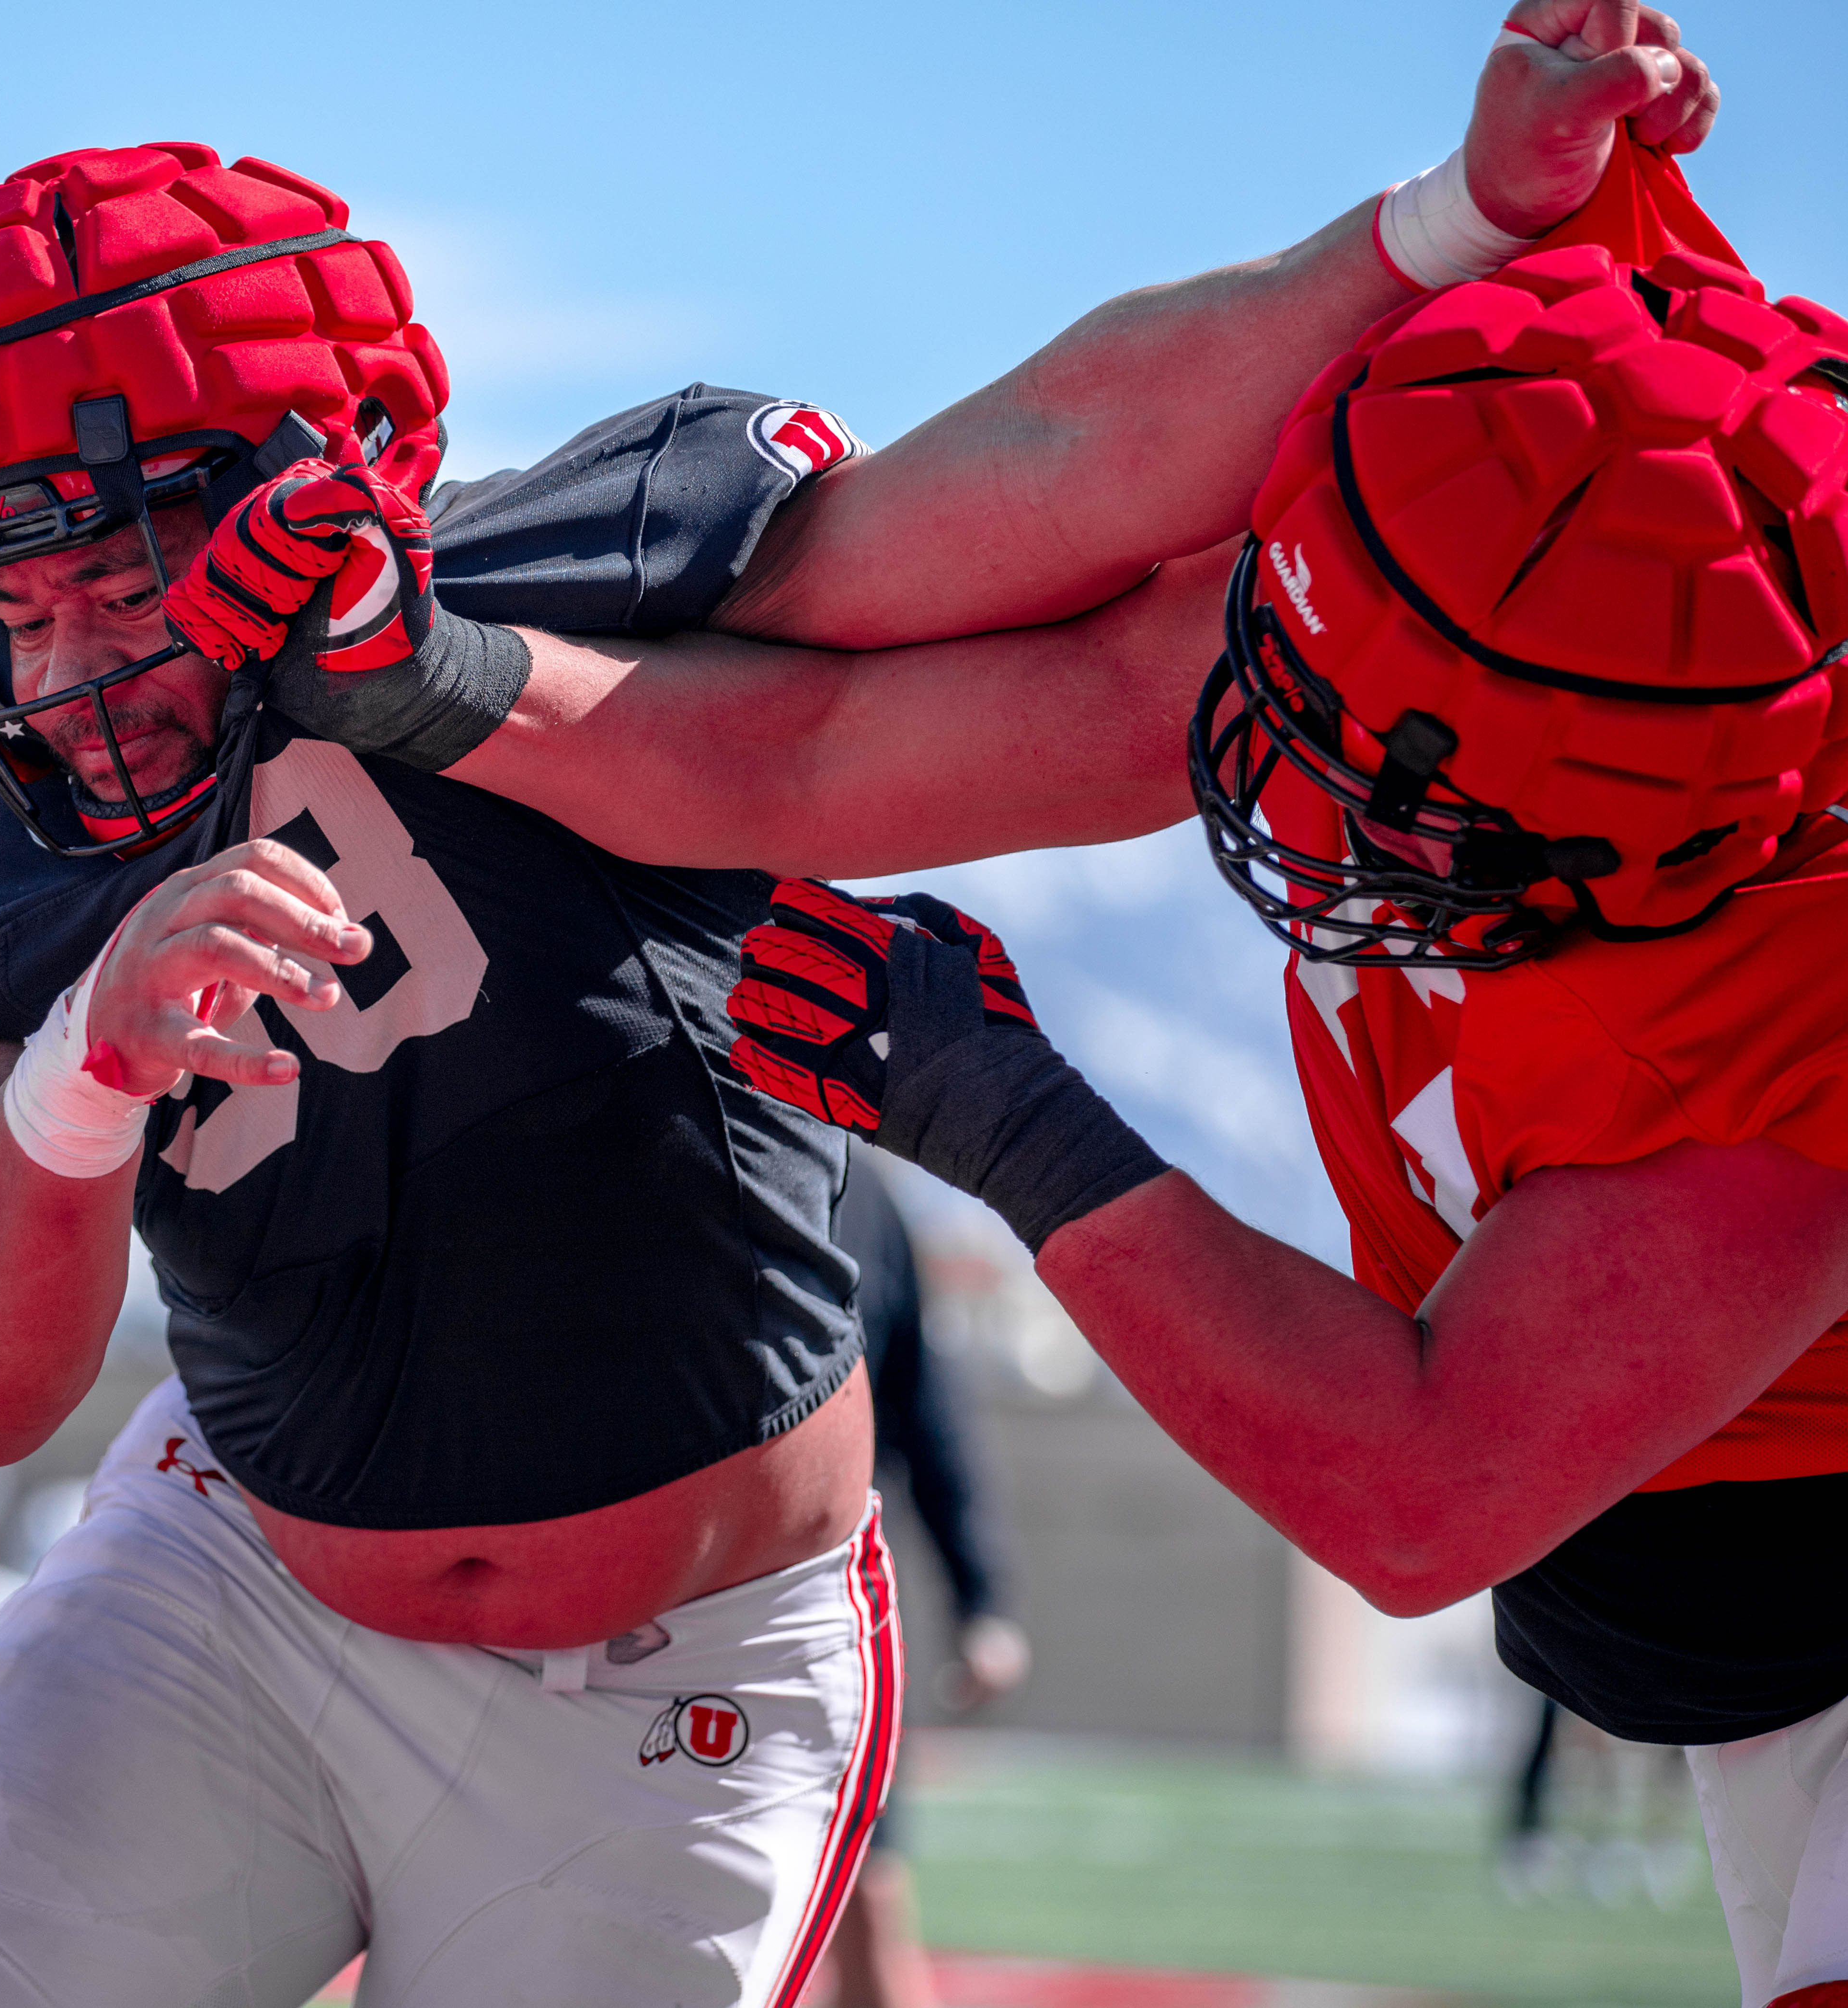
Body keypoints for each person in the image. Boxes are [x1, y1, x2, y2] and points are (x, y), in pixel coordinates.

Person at [0, 25, 1710, 1997]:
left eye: (119, 572)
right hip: (240, 1571)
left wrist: (1463, 229)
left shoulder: (575, 583)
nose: (70, 657)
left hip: (681, 1665)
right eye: (7, 599)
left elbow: (1064, 483)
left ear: (317, 466)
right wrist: (82, 1072)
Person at [705, 227, 1848, 2008]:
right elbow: (1659, 373)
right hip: (1745, 1680)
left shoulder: (1779, 987)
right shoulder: (1602, 537)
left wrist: (1016, 1124)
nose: (1347, 775)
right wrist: (1475, 192)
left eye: (1432, 752)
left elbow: (1418, 1498)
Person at [808, 1173, 1029, 2008]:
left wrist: (984, 1600)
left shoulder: (861, 1194)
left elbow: (930, 1411)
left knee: (869, 1889)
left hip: (831, 1609)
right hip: (666, 1606)